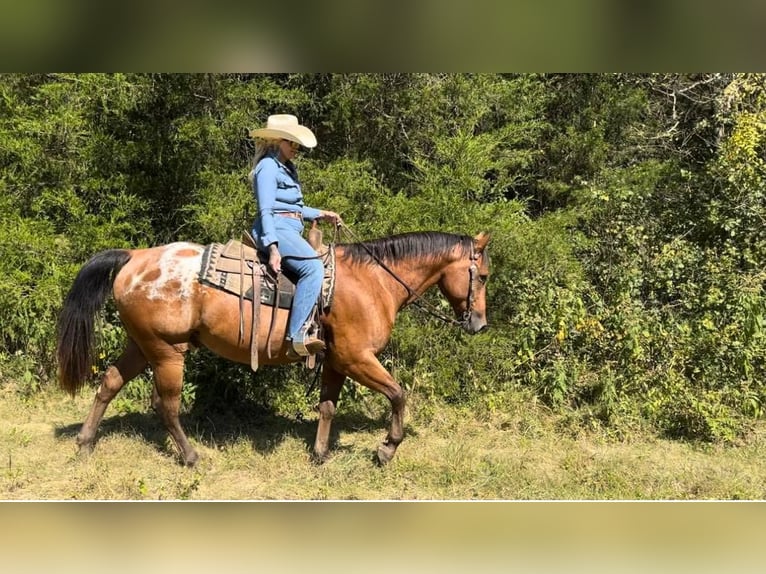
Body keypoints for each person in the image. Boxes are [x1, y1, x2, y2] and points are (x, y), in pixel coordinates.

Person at [248, 114, 342, 356]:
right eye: (292, 143)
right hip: (275, 228)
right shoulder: (268, 167)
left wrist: (320, 213)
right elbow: (266, 210)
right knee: (313, 269)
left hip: (289, 227)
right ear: (278, 141)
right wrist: (272, 246)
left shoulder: (287, 168)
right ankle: (296, 337)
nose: (296, 148)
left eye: (297, 144)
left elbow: (294, 208)